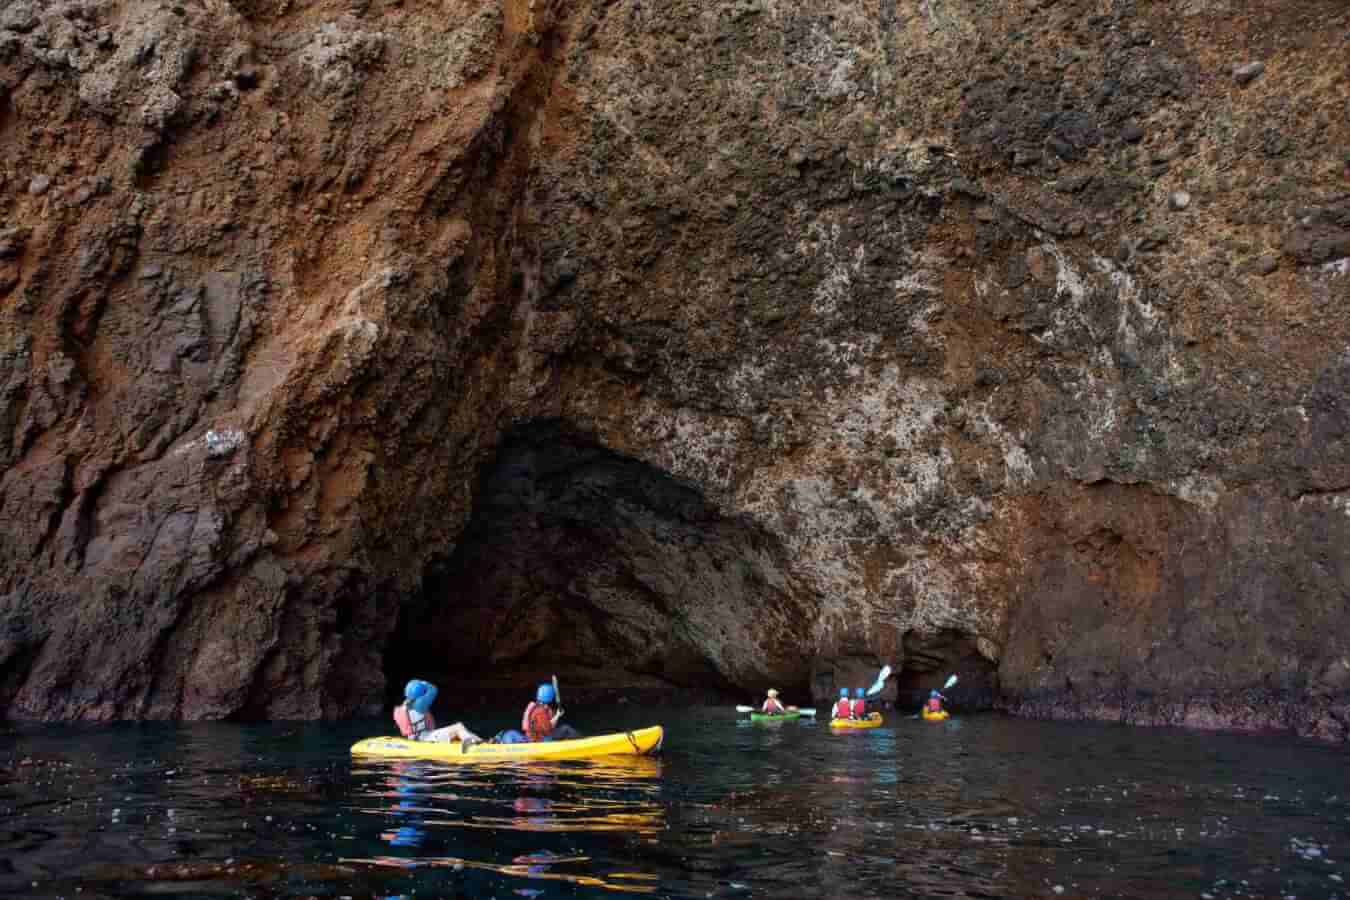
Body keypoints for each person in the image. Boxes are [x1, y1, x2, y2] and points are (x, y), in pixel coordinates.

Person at [393, 679, 483, 747]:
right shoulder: (419, 706)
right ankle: (472, 745)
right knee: (458, 727)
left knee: (459, 729)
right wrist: (424, 683)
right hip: (425, 738)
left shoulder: (403, 708)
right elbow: (433, 689)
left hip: (414, 738)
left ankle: (479, 741)